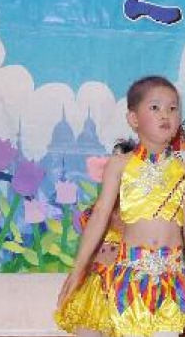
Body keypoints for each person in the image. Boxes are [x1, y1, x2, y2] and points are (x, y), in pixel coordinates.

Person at [58, 76, 185, 337]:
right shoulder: (120, 165)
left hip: (172, 278)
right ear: (134, 119)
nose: (165, 115)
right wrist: (78, 267)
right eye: (155, 107)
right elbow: (100, 216)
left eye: (173, 108)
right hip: (131, 277)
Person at [54, 139, 136, 337]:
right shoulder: (95, 213)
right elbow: (87, 251)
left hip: (127, 291)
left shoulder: (142, 216)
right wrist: (77, 275)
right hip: (94, 290)